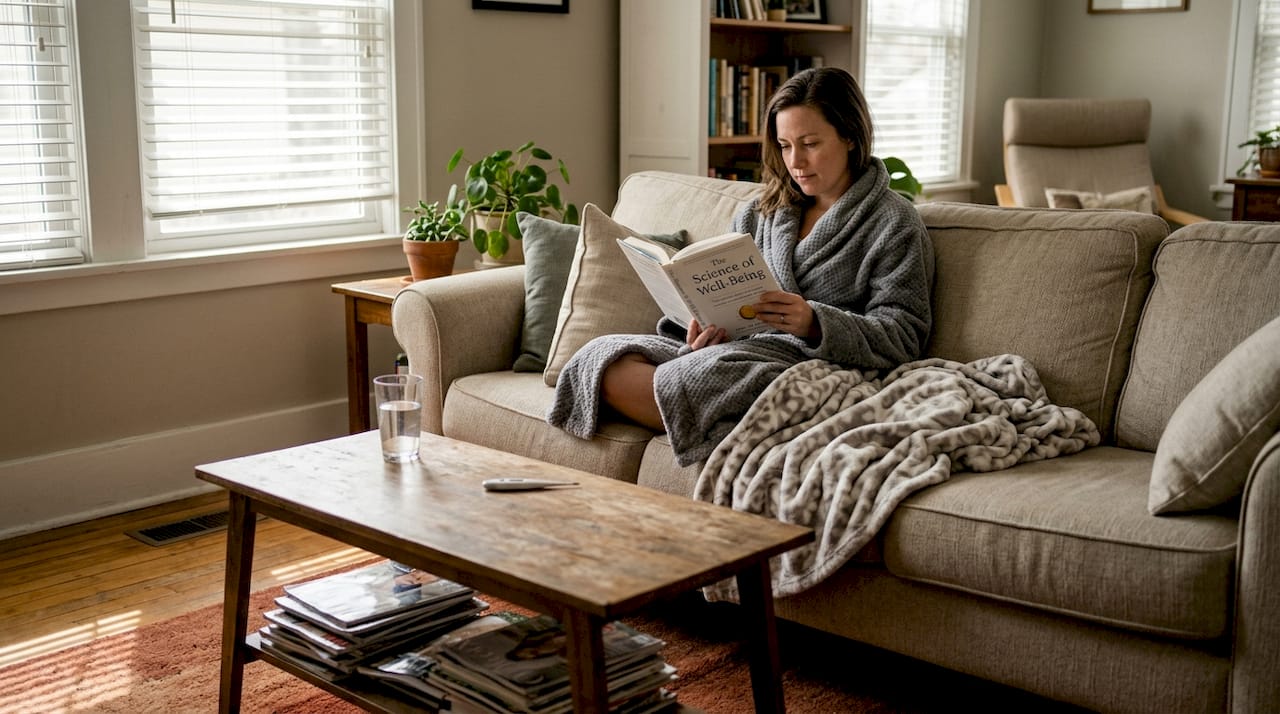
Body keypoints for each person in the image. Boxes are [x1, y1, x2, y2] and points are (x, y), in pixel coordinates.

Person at [548, 67, 934, 466]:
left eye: (810, 143)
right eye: (784, 146)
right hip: (735, 351)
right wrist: (700, 329)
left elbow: (905, 336)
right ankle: (698, 410)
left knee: (693, 377)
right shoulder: (761, 211)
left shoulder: (893, 222)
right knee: (602, 354)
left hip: (809, 365)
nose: (796, 161)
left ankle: (684, 406)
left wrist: (814, 322)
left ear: (850, 136)